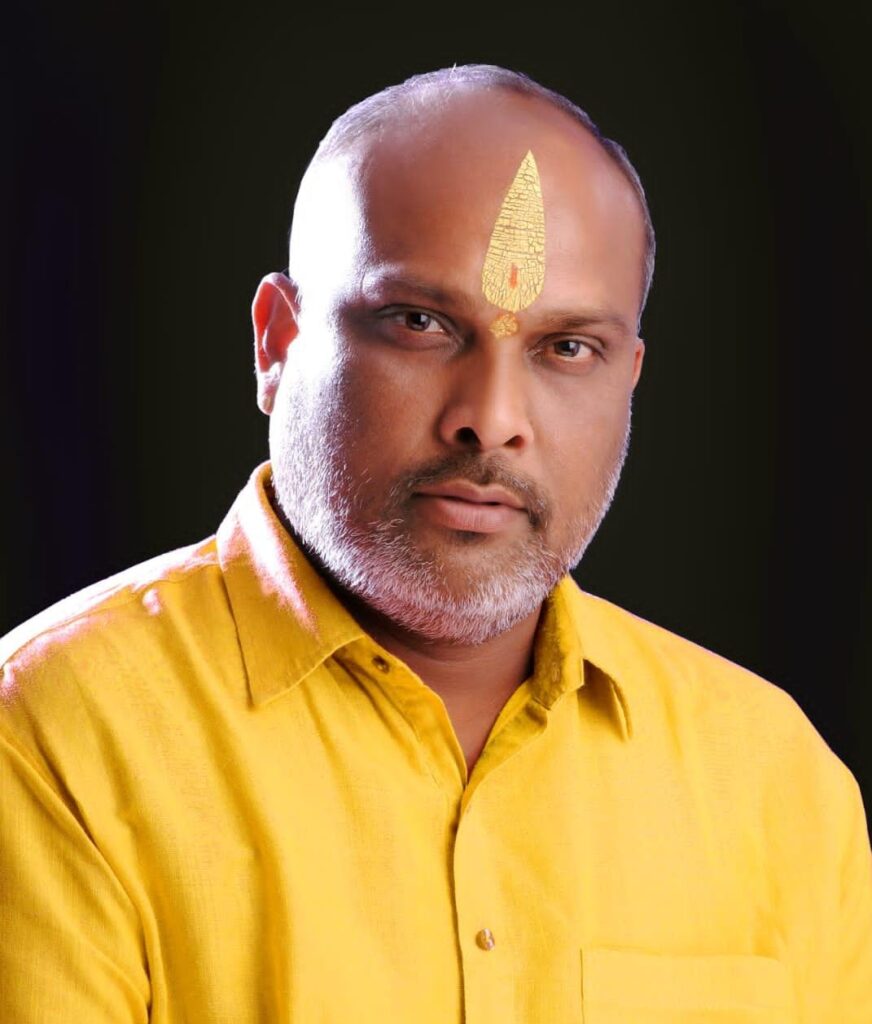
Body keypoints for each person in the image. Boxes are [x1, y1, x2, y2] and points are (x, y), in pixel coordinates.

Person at [0, 64, 869, 1024]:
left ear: (629, 379)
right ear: (276, 343)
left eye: (565, 348)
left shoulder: (777, 780)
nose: (490, 420)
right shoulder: (52, 736)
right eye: (419, 323)